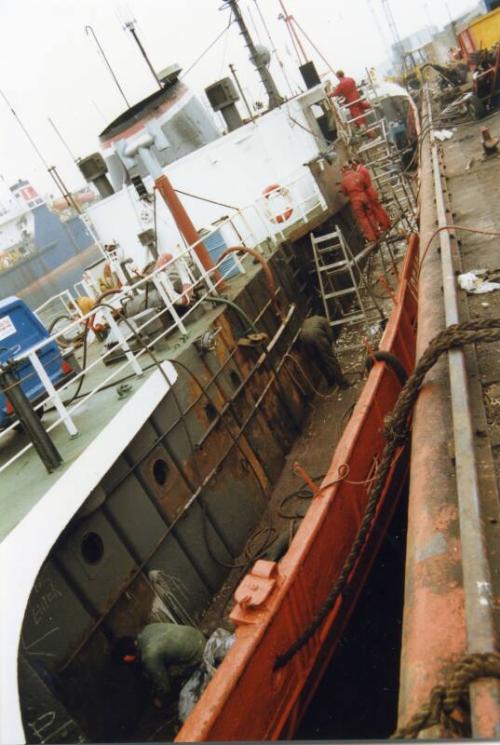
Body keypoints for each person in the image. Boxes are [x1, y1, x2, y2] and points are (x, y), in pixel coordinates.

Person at [118, 623, 206, 698]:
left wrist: (159, 698)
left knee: (169, 677)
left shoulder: (149, 656)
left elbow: (165, 688)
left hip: (199, 654)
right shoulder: (148, 628)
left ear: (128, 658)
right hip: (198, 636)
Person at [298, 315, 349, 390]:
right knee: (330, 360)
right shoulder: (324, 320)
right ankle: (343, 383)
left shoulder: (307, 321)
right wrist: (332, 343)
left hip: (304, 338)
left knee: (318, 361)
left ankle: (330, 380)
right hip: (317, 335)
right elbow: (330, 334)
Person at [340, 163, 379, 243]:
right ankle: (377, 233)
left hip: (355, 200)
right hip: (364, 197)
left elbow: (344, 193)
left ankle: (372, 238)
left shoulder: (343, 181)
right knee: (370, 214)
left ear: (343, 171)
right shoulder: (358, 174)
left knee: (363, 218)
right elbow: (366, 184)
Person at [351, 159, 392, 232]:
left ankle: (385, 224)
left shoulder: (360, 171)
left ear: (354, 163)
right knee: (378, 208)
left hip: (369, 192)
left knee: (376, 210)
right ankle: (386, 223)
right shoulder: (362, 169)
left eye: (352, 165)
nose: (352, 167)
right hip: (370, 191)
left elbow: (363, 183)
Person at [328, 70, 373, 135]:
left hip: (352, 100)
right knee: (361, 105)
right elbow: (354, 86)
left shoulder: (341, 84)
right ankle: (371, 105)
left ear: (337, 76)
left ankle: (361, 125)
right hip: (357, 96)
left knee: (355, 112)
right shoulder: (350, 79)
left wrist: (329, 95)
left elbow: (336, 92)